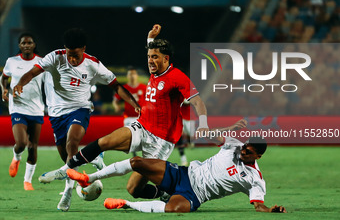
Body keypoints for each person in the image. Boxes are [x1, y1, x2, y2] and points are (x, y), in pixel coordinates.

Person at [37, 24, 209, 202]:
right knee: (104, 141)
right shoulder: (155, 68)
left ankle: (165, 193)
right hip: (142, 126)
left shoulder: (177, 77)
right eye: (149, 56)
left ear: (166, 59)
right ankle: (66, 169)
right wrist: (150, 38)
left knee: (133, 189)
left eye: (154, 57)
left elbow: (198, 101)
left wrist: (203, 124)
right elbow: (152, 52)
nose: (150, 60)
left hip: (161, 139)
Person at [13, 28, 140, 211]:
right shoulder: (55, 57)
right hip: (56, 114)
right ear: (65, 49)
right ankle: (92, 159)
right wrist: (19, 84)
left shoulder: (93, 64)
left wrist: (134, 103)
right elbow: (32, 73)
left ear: (84, 49)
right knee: (68, 159)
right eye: (69, 54)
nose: (71, 59)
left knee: (72, 143)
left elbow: (116, 85)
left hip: (79, 109)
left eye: (76, 55)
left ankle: (67, 193)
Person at [67, 120, 286, 213]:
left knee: (173, 209)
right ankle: (90, 178)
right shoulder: (233, 145)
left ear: (258, 156)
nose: (244, 151)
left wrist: (270, 210)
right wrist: (231, 127)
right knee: (137, 163)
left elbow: (258, 205)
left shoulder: (255, 178)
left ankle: (126, 204)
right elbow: (207, 134)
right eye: (245, 146)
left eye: (249, 151)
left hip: (195, 195)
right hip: (183, 174)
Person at [0, 32, 44, 191]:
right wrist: (4, 89)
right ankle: (16, 156)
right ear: (19, 46)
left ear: (34, 45)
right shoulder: (12, 62)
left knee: (33, 147)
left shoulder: (41, 62)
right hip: (17, 107)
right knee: (22, 143)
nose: (26, 45)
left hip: (37, 109)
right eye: (23, 43)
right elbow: (3, 77)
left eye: (29, 43)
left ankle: (27, 181)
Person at [112, 66, 146, 157]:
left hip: (141, 117)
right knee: (131, 138)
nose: (132, 76)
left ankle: (143, 155)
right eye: (130, 74)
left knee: (143, 138)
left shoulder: (143, 87)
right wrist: (116, 106)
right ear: (127, 76)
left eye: (134, 74)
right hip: (129, 117)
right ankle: (134, 155)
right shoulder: (124, 88)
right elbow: (115, 100)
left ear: (137, 76)